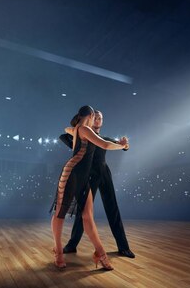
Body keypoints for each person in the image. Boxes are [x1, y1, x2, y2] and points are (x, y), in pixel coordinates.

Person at [49, 105, 128, 270]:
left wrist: (73, 128)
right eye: (95, 117)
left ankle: (100, 253)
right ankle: (58, 251)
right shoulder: (84, 129)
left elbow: (68, 129)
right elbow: (105, 145)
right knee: (60, 214)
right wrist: (121, 146)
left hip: (83, 178)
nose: (97, 120)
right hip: (71, 174)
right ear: (91, 115)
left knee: (88, 217)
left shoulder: (80, 129)